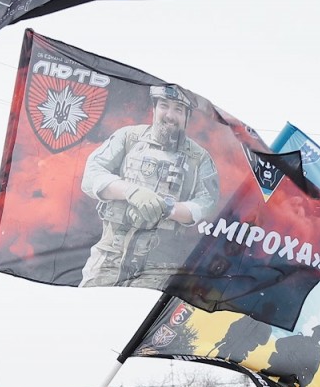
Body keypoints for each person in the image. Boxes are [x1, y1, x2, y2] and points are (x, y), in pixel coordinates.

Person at [77, 82, 220, 289]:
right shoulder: (128, 138)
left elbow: (208, 203)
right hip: (109, 256)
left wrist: (167, 208)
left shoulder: (199, 158)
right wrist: (130, 191)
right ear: (154, 108)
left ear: (187, 116)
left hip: (159, 267)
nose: (170, 115)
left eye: (178, 109)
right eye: (164, 105)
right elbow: (91, 175)